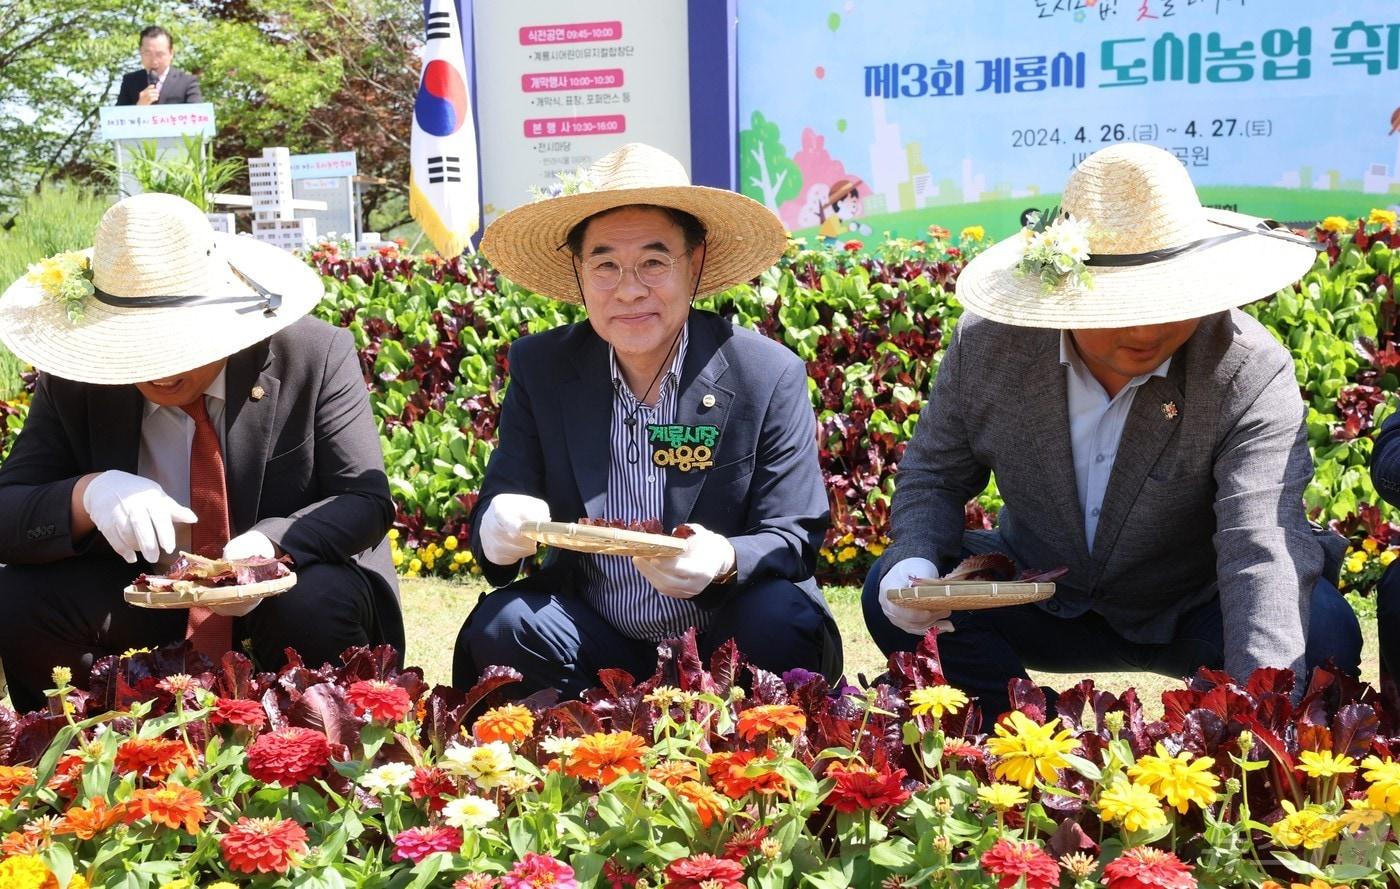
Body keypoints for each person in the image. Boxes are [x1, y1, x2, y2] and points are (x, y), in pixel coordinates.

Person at [863, 142, 1360, 717]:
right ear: (1061, 289)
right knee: (888, 593)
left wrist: (1253, 721)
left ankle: (1209, 728)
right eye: (1119, 305)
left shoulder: (1247, 368)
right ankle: (1029, 732)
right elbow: (934, 475)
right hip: (1038, 592)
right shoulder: (990, 347)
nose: (1147, 329)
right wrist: (916, 559)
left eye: (1172, 298)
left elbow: (1262, 546)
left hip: (1194, 603)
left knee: (1319, 634)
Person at [453, 142, 841, 697]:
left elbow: (795, 532)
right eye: (605, 265)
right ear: (579, 271)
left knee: (780, 617)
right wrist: (498, 528)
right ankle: (565, 756)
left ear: (696, 262)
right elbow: (505, 495)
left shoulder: (764, 373)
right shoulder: (543, 368)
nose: (629, 289)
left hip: (723, 634)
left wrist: (726, 559)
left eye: (654, 263)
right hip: (592, 637)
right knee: (507, 623)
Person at [0, 193, 402, 712]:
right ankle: (82, 758)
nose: (159, 369)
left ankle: (322, 746)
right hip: (145, 598)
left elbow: (365, 500)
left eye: (176, 343)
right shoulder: (77, 385)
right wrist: (88, 494)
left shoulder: (314, 355)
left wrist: (269, 546)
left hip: (285, 594)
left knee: (313, 600)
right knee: (16, 597)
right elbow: (8, 513)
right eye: (132, 345)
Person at [116, 27, 203, 107]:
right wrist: (139, 107)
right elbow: (116, 119)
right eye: (148, 53)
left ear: (171, 53)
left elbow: (197, 116)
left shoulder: (187, 82)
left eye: (160, 54)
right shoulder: (130, 81)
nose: (154, 61)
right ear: (140, 52)